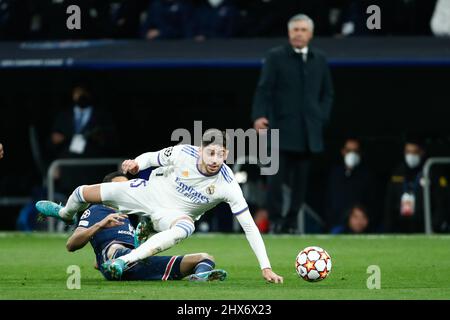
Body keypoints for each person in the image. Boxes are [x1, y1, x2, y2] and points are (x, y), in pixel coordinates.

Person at [36, 129, 283, 283]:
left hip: (174, 215)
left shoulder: (228, 184)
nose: (215, 160)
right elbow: (150, 158)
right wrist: (135, 165)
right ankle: (64, 213)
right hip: (147, 193)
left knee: (186, 227)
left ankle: (125, 261)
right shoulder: (182, 152)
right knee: (82, 192)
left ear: (226, 154)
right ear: (200, 151)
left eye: (221, 155)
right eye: (211, 154)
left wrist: (266, 267)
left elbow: (250, 227)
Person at [252, 13, 334, 234]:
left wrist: (321, 116)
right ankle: (276, 221)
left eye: (303, 29)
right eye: (295, 29)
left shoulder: (320, 58)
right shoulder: (275, 56)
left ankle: (289, 223)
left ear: (311, 33)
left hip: (307, 133)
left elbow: (327, 93)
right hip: (279, 131)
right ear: (289, 33)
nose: (298, 33)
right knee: (275, 182)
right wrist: (259, 116)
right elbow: (264, 89)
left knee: (300, 184)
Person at [66, 171, 227, 282]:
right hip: (119, 259)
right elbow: (71, 244)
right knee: (201, 258)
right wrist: (100, 225)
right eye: (119, 188)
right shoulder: (97, 210)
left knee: (205, 258)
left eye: (127, 186)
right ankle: (118, 266)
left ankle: (200, 277)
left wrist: (143, 237)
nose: (125, 191)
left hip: (134, 262)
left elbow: (98, 261)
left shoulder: (128, 215)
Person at [384, 138, 447, 233]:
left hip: (424, 224)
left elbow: (441, 202)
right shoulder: (398, 172)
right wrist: (389, 226)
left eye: (414, 152)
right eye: (408, 152)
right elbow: (390, 201)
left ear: (422, 152)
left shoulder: (431, 171)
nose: (411, 156)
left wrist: (435, 225)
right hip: (401, 224)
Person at [325, 138, 376, 231]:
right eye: (348, 150)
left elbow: (371, 202)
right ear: (343, 151)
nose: (352, 154)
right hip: (336, 224)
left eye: (355, 151)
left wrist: (360, 219)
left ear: (360, 153)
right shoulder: (334, 173)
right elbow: (329, 201)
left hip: (359, 226)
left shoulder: (367, 175)